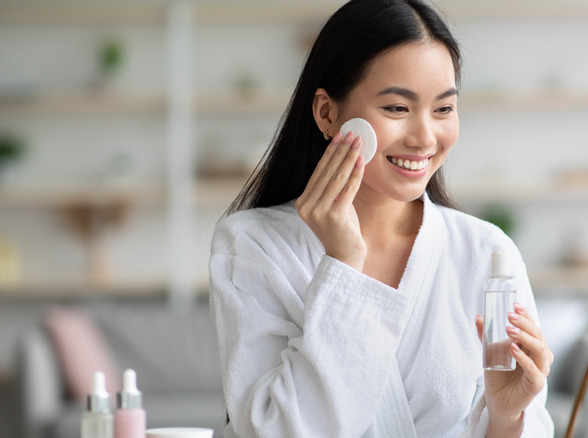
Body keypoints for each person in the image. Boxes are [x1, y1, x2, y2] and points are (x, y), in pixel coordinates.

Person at [209, 0, 554, 436]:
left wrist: (506, 416)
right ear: (326, 113)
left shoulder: (488, 254)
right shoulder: (252, 246)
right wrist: (344, 266)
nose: (425, 137)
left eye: (443, 109)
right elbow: (273, 431)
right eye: (397, 108)